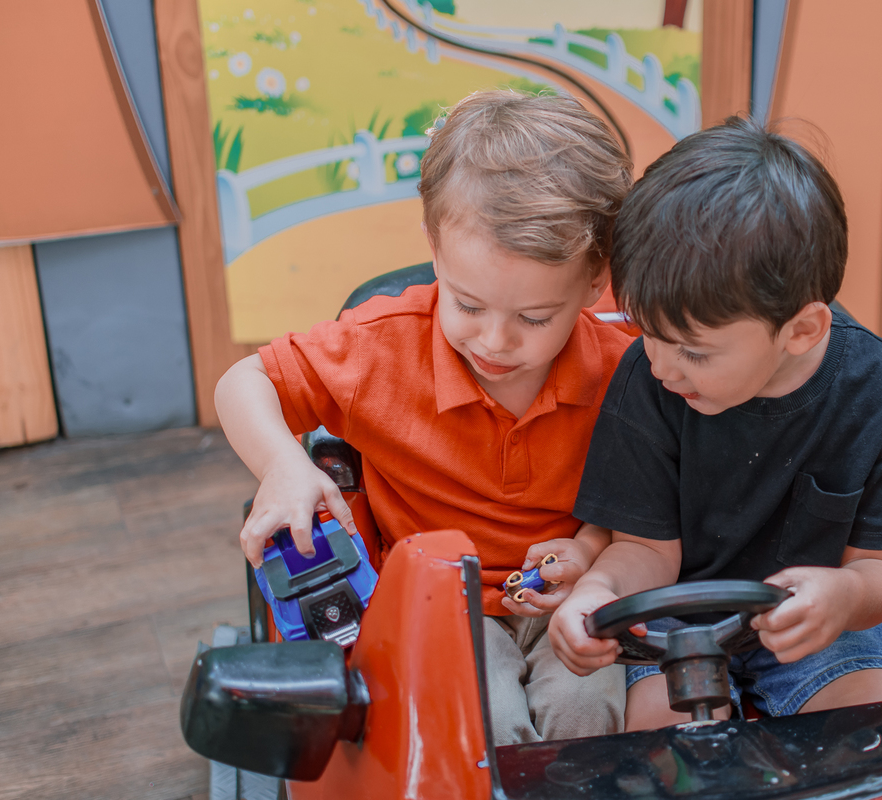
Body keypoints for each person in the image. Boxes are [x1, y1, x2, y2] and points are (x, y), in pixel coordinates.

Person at [214, 90, 635, 744]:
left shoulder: (622, 372)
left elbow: (648, 500)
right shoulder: (380, 348)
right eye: (468, 305)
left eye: (533, 318)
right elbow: (243, 382)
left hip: (570, 600)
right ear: (434, 247)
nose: (496, 341)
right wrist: (282, 467)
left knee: (589, 719)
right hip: (437, 606)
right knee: (484, 718)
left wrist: (592, 554)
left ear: (593, 282)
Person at [549, 116, 882, 729]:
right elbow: (645, 551)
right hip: (672, 625)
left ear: (802, 330)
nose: (662, 366)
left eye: (694, 352)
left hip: (818, 627)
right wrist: (596, 593)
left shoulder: (881, 388)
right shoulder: (649, 379)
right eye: (648, 334)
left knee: (877, 732)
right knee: (667, 749)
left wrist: (845, 596)